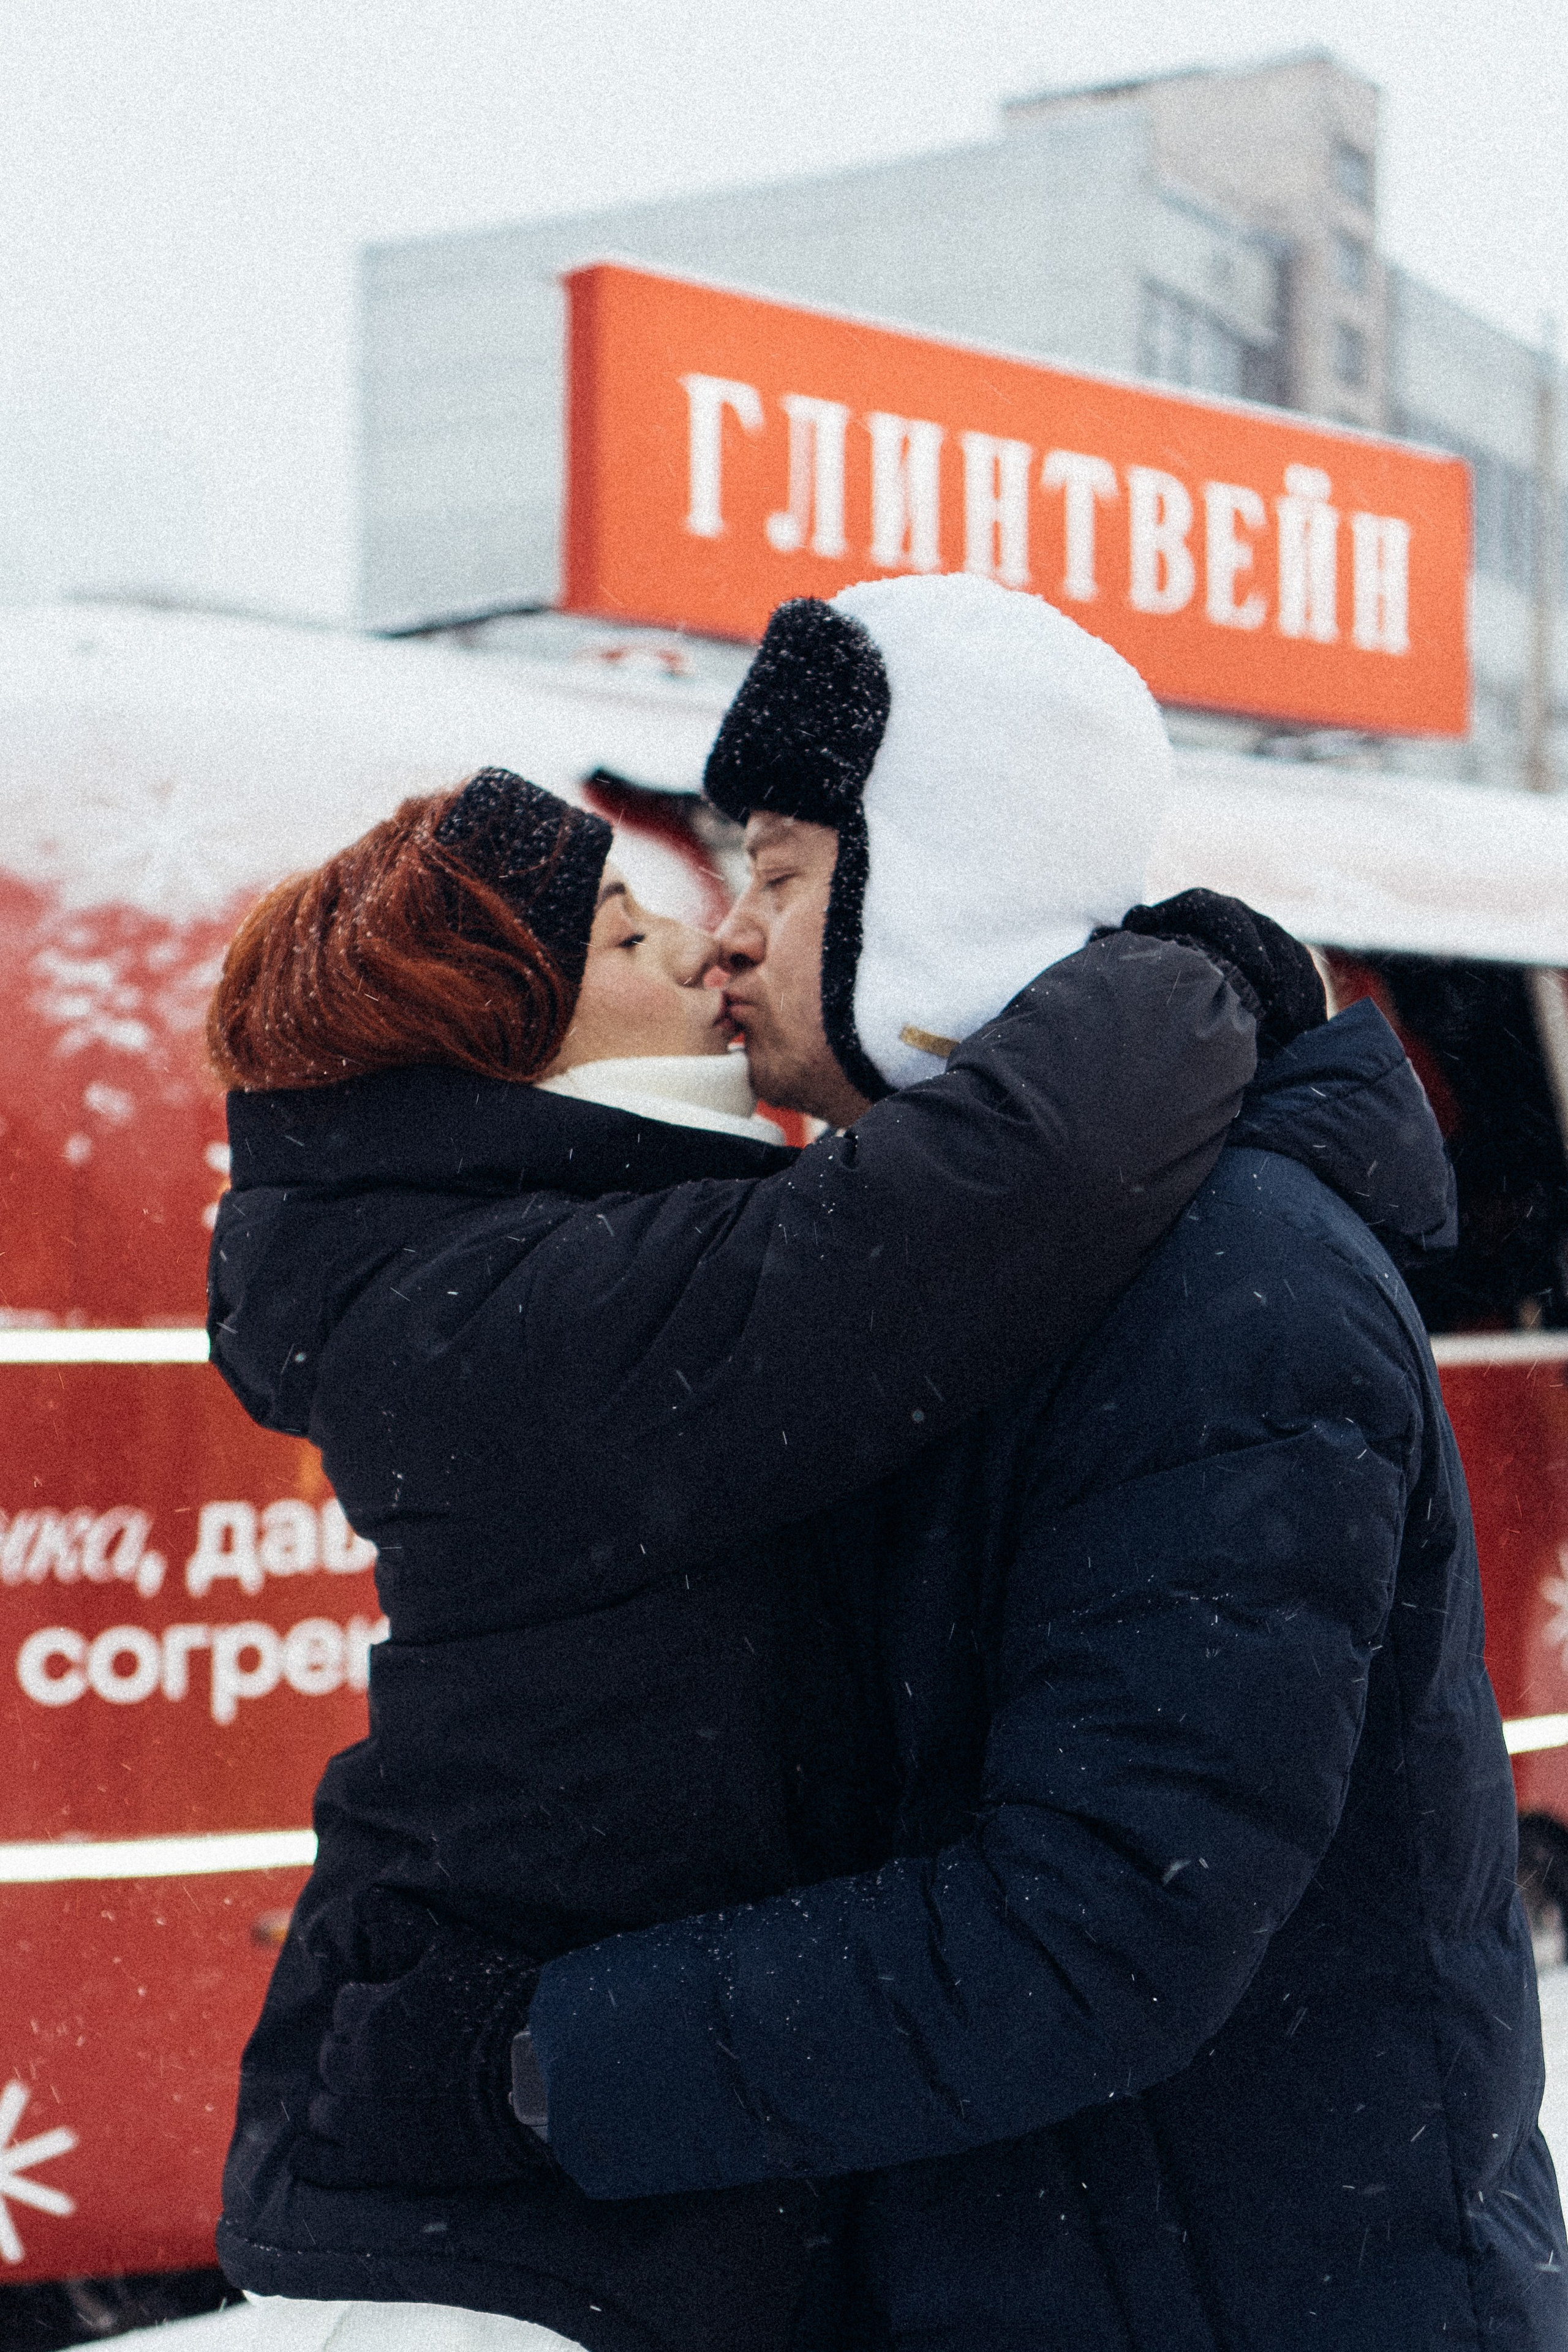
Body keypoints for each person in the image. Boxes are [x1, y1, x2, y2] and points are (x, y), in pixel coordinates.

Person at [303, 576, 1567, 2351]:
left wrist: (537, 2062)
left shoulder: (1230, 1287)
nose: (727, 937)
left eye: (785, 875)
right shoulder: (966, 1285)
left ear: (942, 891)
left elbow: (1101, 1926)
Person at [203, 703, 1281, 2352]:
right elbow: (999, 1190)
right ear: (520, 1051)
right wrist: (1178, 971)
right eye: (631, 936)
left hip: (563, 2152)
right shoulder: (513, 1308)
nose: (707, 953)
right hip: (495, 2232)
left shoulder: (483, 1270)